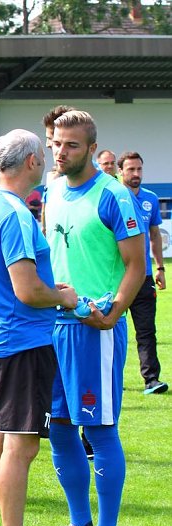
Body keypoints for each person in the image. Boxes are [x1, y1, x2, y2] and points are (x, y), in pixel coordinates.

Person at [36, 111, 145, 526]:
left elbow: (136, 264)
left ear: (92, 148)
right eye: (56, 144)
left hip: (93, 330)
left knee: (99, 430)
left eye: (72, 145)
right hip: (54, 326)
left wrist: (113, 313)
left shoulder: (113, 195)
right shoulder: (52, 190)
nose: (60, 152)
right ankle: (79, 525)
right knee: (60, 429)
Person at [0, 128, 77, 526]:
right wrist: (62, 297)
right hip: (20, 344)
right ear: (32, 161)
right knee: (21, 447)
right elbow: (28, 290)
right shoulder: (15, 213)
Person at [117, 151, 167, 395]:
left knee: (146, 330)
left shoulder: (151, 199)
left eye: (139, 169)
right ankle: (111, 378)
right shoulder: (113, 198)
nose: (136, 174)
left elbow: (155, 234)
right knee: (110, 330)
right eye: (131, 169)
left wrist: (160, 268)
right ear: (120, 172)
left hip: (144, 276)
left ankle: (151, 380)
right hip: (116, 277)